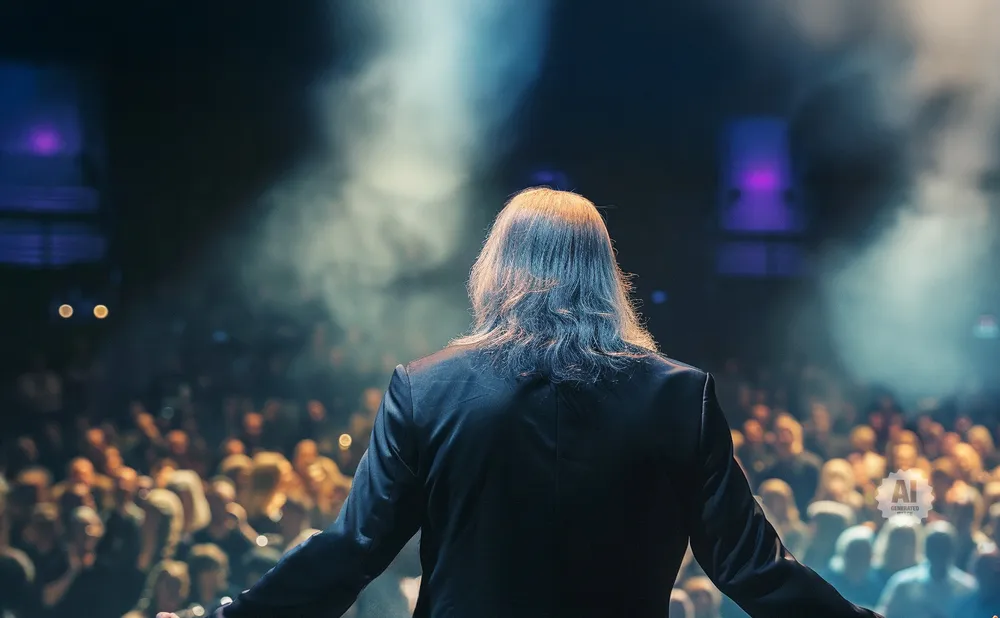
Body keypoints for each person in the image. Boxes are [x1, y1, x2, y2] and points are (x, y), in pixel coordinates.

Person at [159, 188, 881, 618]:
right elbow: (752, 568)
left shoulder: (426, 387)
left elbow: (352, 551)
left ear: (495, 271)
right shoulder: (678, 397)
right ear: (605, 276)